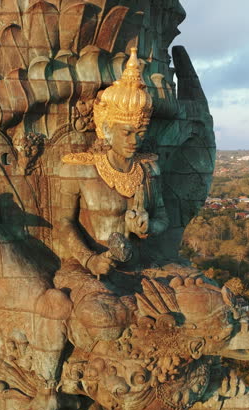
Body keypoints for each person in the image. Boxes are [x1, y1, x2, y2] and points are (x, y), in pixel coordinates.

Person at [52, 48, 169, 349]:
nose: (136, 140)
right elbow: (64, 223)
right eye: (127, 132)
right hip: (85, 267)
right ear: (107, 128)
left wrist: (148, 227)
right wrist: (90, 259)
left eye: (140, 132)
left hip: (137, 265)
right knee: (105, 318)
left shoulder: (147, 168)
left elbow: (162, 218)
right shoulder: (78, 169)